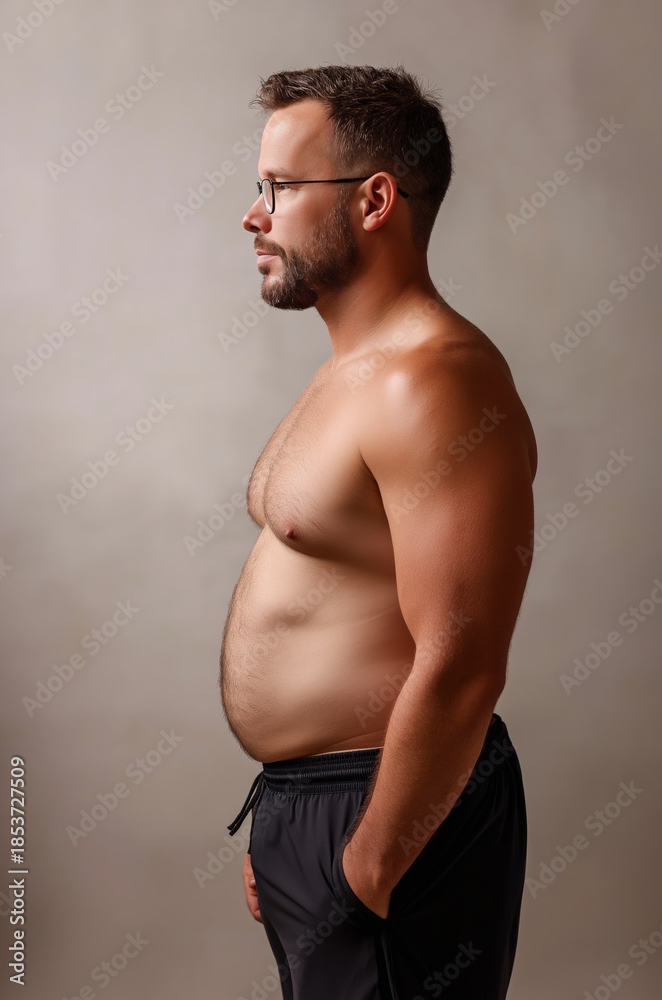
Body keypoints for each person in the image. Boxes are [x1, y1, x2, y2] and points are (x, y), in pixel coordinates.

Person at [221, 64, 537, 1000]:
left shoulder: (434, 380)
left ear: (374, 200)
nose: (253, 214)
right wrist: (290, 820)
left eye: (279, 187)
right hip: (318, 804)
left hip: (389, 808)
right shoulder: (353, 370)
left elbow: (463, 659)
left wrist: (365, 861)